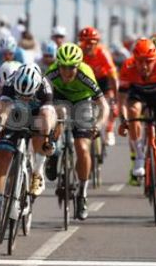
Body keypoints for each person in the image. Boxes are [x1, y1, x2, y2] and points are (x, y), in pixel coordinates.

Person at [0, 63, 56, 235]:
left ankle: (37, 172)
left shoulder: (44, 87)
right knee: (3, 157)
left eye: (28, 95)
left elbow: (47, 116)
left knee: (42, 131)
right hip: (14, 115)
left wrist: (47, 138)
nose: (25, 98)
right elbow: (3, 111)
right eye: (21, 95)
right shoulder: (10, 83)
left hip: (37, 115)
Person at [45, 44, 109, 220]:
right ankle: (53, 153)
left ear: (78, 65)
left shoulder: (85, 74)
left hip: (82, 103)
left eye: (71, 68)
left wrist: (99, 124)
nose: (66, 72)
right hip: (59, 100)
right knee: (56, 115)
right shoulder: (52, 72)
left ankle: (82, 194)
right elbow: (41, 99)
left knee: (82, 147)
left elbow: (103, 105)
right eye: (63, 67)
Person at [117, 38, 156, 211]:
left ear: (155, 59)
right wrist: (123, 120)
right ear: (134, 60)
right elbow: (122, 99)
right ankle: (139, 156)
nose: (144, 66)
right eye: (140, 62)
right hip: (138, 96)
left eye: (148, 62)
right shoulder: (128, 67)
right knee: (132, 112)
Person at [79, 26, 119, 146]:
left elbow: (113, 76)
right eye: (85, 42)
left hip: (102, 79)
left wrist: (116, 98)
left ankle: (109, 130)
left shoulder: (103, 52)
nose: (88, 45)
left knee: (110, 104)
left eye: (92, 42)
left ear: (97, 43)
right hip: (86, 81)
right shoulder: (79, 52)